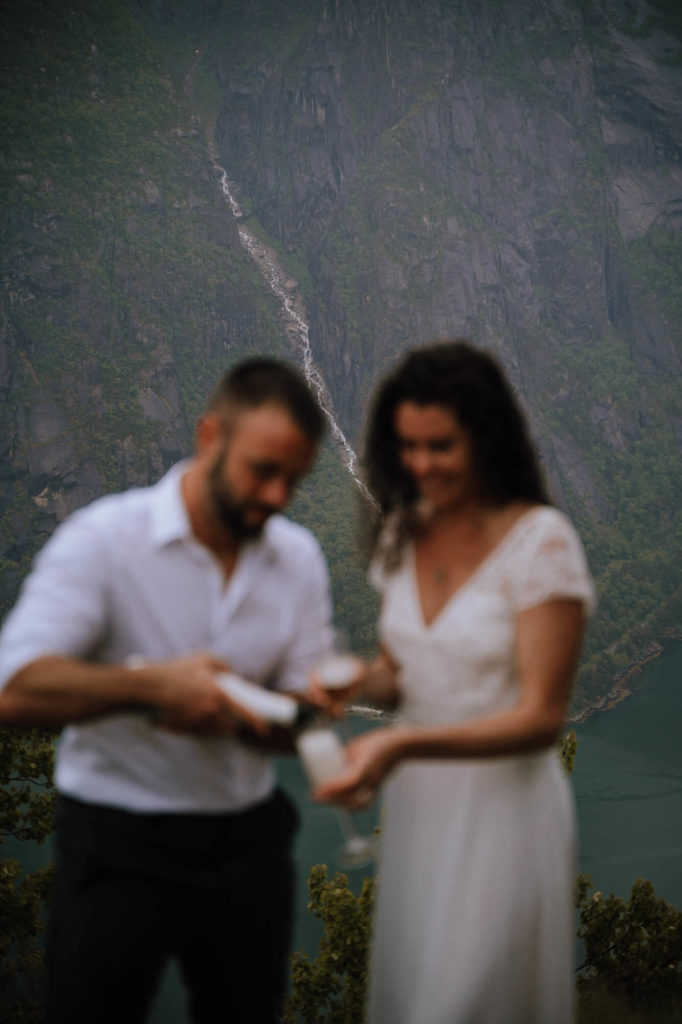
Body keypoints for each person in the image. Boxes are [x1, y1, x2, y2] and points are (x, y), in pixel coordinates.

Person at [0, 357, 333, 1024]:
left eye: (293, 482)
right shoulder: (103, 541)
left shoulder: (297, 560)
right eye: (262, 471)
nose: (275, 497)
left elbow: (303, 718)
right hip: (117, 843)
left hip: (248, 845)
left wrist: (292, 718)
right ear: (210, 437)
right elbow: (13, 689)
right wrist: (152, 686)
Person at [314, 340, 595, 1024]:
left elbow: (540, 718)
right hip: (422, 808)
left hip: (504, 809)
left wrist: (399, 748)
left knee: (462, 1001)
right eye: (406, 447)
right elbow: (401, 676)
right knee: (420, 989)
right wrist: (354, 679)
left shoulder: (541, 544)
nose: (420, 465)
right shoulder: (403, 534)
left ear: (486, 438)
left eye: (441, 446)